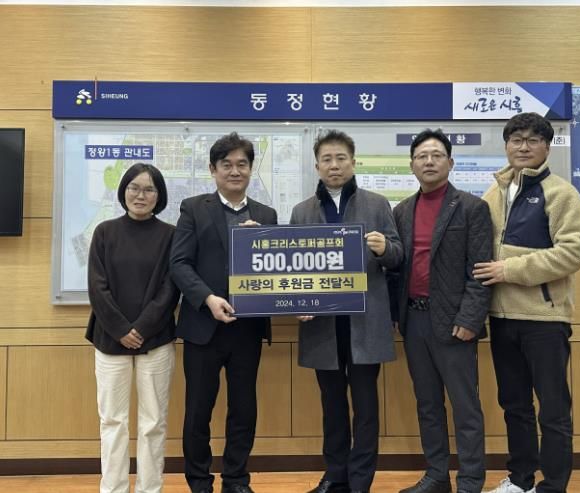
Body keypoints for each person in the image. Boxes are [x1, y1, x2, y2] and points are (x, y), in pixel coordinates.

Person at [473, 113, 580, 493]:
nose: (523, 147)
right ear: (506, 145)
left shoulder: (562, 193)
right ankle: (520, 480)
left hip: (545, 319)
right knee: (514, 406)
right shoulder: (493, 193)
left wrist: (509, 268)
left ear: (546, 146)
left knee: (553, 410)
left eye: (533, 140)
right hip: (501, 317)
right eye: (516, 139)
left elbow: (573, 253)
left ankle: (553, 485)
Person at [290, 130, 403, 493]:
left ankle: (360, 481)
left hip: (364, 322)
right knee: (332, 405)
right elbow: (292, 268)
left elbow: (398, 257)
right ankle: (335, 474)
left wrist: (385, 248)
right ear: (317, 166)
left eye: (341, 158)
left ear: (353, 162)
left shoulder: (377, 204)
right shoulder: (302, 211)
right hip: (322, 325)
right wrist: (297, 302)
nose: (334, 165)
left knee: (366, 408)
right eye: (327, 159)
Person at [170, 132, 278, 493]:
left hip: (247, 329)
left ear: (251, 169)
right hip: (204, 326)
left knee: (244, 408)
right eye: (227, 164)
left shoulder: (266, 214)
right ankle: (199, 481)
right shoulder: (193, 208)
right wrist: (208, 298)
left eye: (242, 164)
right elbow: (179, 263)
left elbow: (276, 271)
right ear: (213, 169)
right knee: (198, 409)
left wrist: (262, 243)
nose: (235, 171)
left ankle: (236, 479)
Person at [389, 130, 492, 493]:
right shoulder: (402, 211)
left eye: (436, 155)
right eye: (422, 156)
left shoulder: (472, 208)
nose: (429, 161)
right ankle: (436, 476)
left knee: (465, 407)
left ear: (451, 162)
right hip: (414, 320)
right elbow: (397, 269)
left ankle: (470, 482)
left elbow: (480, 270)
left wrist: (470, 319)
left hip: (454, 323)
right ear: (412, 165)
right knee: (428, 404)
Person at [87, 162, 180, 493]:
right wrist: (121, 329)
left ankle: (149, 488)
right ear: (123, 191)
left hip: (156, 340)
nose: (141, 195)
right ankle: (113, 488)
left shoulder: (171, 235)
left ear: (159, 195)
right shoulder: (104, 231)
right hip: (109, 340)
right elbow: (97, 287)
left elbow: (171, 288)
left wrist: (140, 328)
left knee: (153, 421)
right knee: (113, 420)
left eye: (149, 189)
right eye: (134, 188)